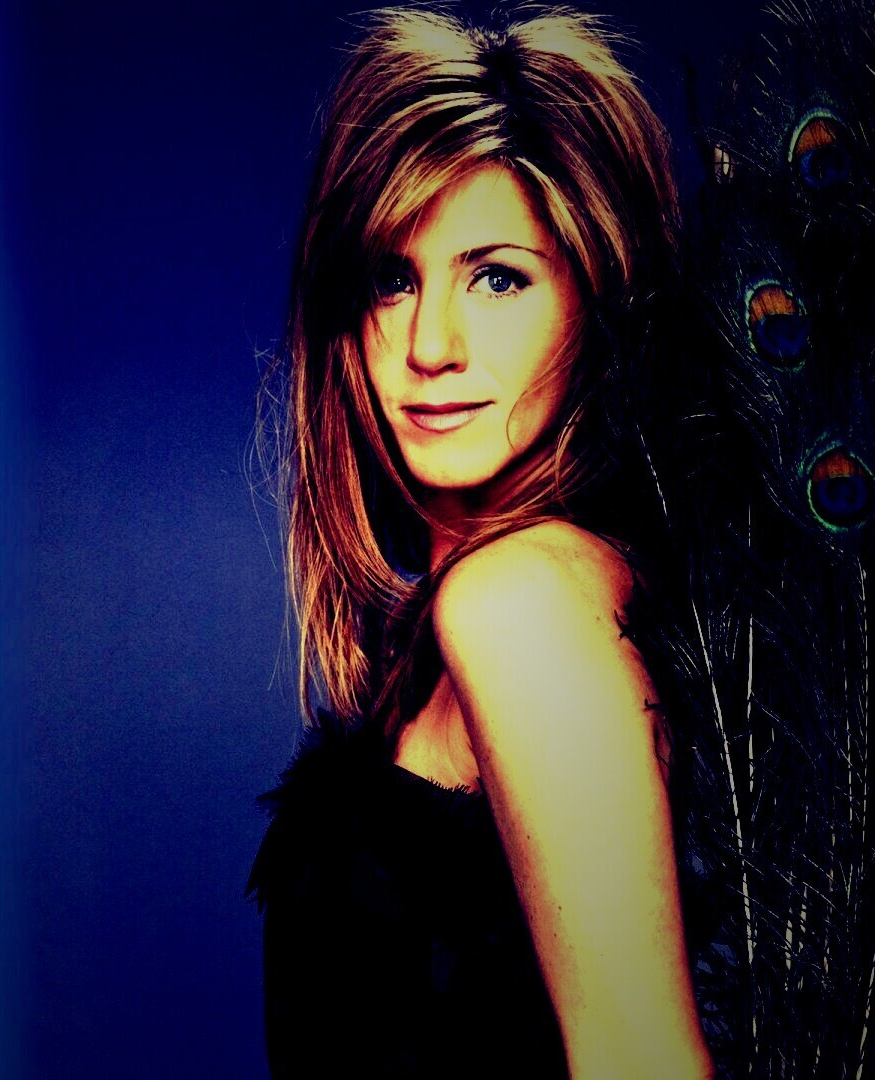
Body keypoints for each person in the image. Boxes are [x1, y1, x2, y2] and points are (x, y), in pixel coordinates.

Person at [245, 5, 714, 1077]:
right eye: (393, 278)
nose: (431, 345)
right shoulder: (505, 606)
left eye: (498, 277)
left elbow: (641, 1060)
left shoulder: (519, 604)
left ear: (596, 295)